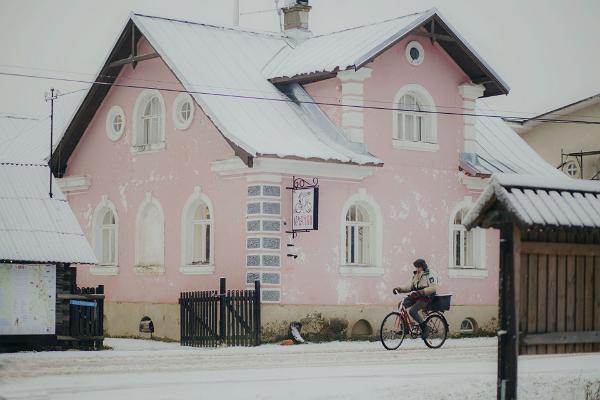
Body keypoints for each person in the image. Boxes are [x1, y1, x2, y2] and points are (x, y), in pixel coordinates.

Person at [392, 258, 439, 339]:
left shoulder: (430, 274)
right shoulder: (416, 275)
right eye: (416, 267)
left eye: (418, 267)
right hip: (417, 295)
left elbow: (433, 288)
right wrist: (399, 289)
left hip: (426, 296)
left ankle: (425, 328)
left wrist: (421, 292)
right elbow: (409, 286)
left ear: (423, 266)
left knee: (412, 311)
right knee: (401, 304)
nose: (417, 269)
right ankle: (405, 328)